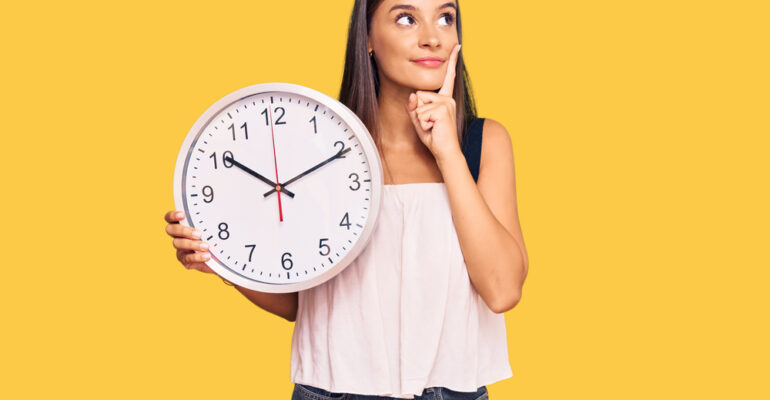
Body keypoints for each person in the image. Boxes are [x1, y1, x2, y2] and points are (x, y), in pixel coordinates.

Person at [164, 0, 529, 399]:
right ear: (368, 38)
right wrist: (219, 260)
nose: (431, 37)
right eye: (406, 18)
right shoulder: (315, 145)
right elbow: (303, 303)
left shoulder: (484, 143)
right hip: (331, 392)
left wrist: (448, 154)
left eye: (446, 18)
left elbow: (502, 289)